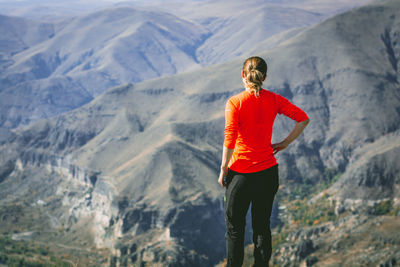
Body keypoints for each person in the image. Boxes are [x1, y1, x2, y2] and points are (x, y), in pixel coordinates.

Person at [218, 56, 310, 267]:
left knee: (234, 230)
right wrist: (285, 142)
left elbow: (230, 137)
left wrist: (223, 169)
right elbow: (303, 118)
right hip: (268, 173)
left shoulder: (235, 103)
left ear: (243, 75)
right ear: (265, 77)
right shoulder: (274, 100)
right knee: (262, 227)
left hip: (240, 175)